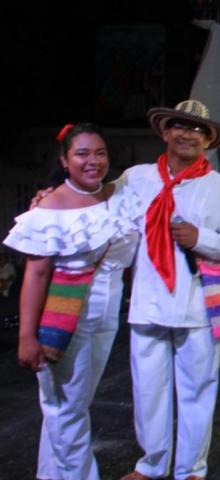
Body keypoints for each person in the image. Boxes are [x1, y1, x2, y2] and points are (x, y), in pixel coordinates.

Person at [4, 123, 141, 480]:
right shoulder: (50, 208)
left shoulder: (120, 194)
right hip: (65, 316)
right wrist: (26, 336)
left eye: (100, 153)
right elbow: (35, 275)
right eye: (82, 154)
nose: (93, 161)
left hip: (107, 314)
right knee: (65, 408)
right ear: (65, 160)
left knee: (73, 405)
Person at [119, 100, 220, 480]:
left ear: (208, 139)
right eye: (180, 126)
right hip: (148, 302)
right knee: (149, 393)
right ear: (165, 132)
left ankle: (192, 468)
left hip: (198, 306)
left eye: (197, 129)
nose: (188, 134)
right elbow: (104, 215)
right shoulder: (136, 178)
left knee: (198, 391)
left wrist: (200, 237)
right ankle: (151, 465)